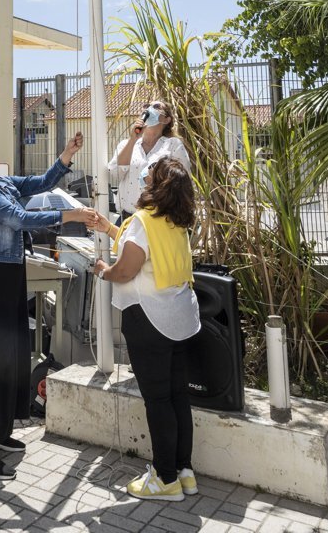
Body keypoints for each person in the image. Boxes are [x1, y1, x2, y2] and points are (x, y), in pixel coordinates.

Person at [0, 134, 96, 481]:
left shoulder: (0, 182)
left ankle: (0, 433)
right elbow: (18, 219)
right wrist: (69, 214)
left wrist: (66, 154)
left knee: (12, 355)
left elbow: (42, 182)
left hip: (10, 274)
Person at [93, 156, 200, 503]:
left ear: (158, 185)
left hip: (149, 320)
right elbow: (144, 248)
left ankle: (164, 479)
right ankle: (183, 472)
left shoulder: (143, 221)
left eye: (149, 174)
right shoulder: (176, 222)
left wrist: (103, 271)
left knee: (157, 400)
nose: (144, 177)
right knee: (177, 396)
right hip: (180, 318)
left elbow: (125, 270)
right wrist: (110, 229)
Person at [108, 99, 190, 216]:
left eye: (156, 106)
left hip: (158, 217)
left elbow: (183, 181)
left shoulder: (173, 145)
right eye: (146, 105)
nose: (149, 108)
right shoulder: (126, 144)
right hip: (128, 216)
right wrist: (133, 140)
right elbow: (116, 173)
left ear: (167, 119)